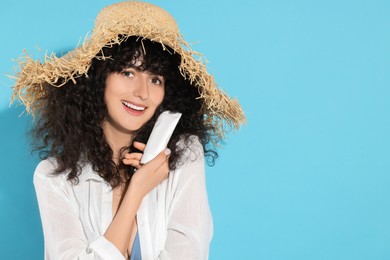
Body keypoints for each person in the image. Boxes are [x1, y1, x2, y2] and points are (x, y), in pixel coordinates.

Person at [11, 1, 245, 260]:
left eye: (155, 79)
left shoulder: (182, 155)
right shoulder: (53, 178)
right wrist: (137, 190)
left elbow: (189, 252)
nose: (142, 93)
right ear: (98, 79)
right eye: (128, 72)